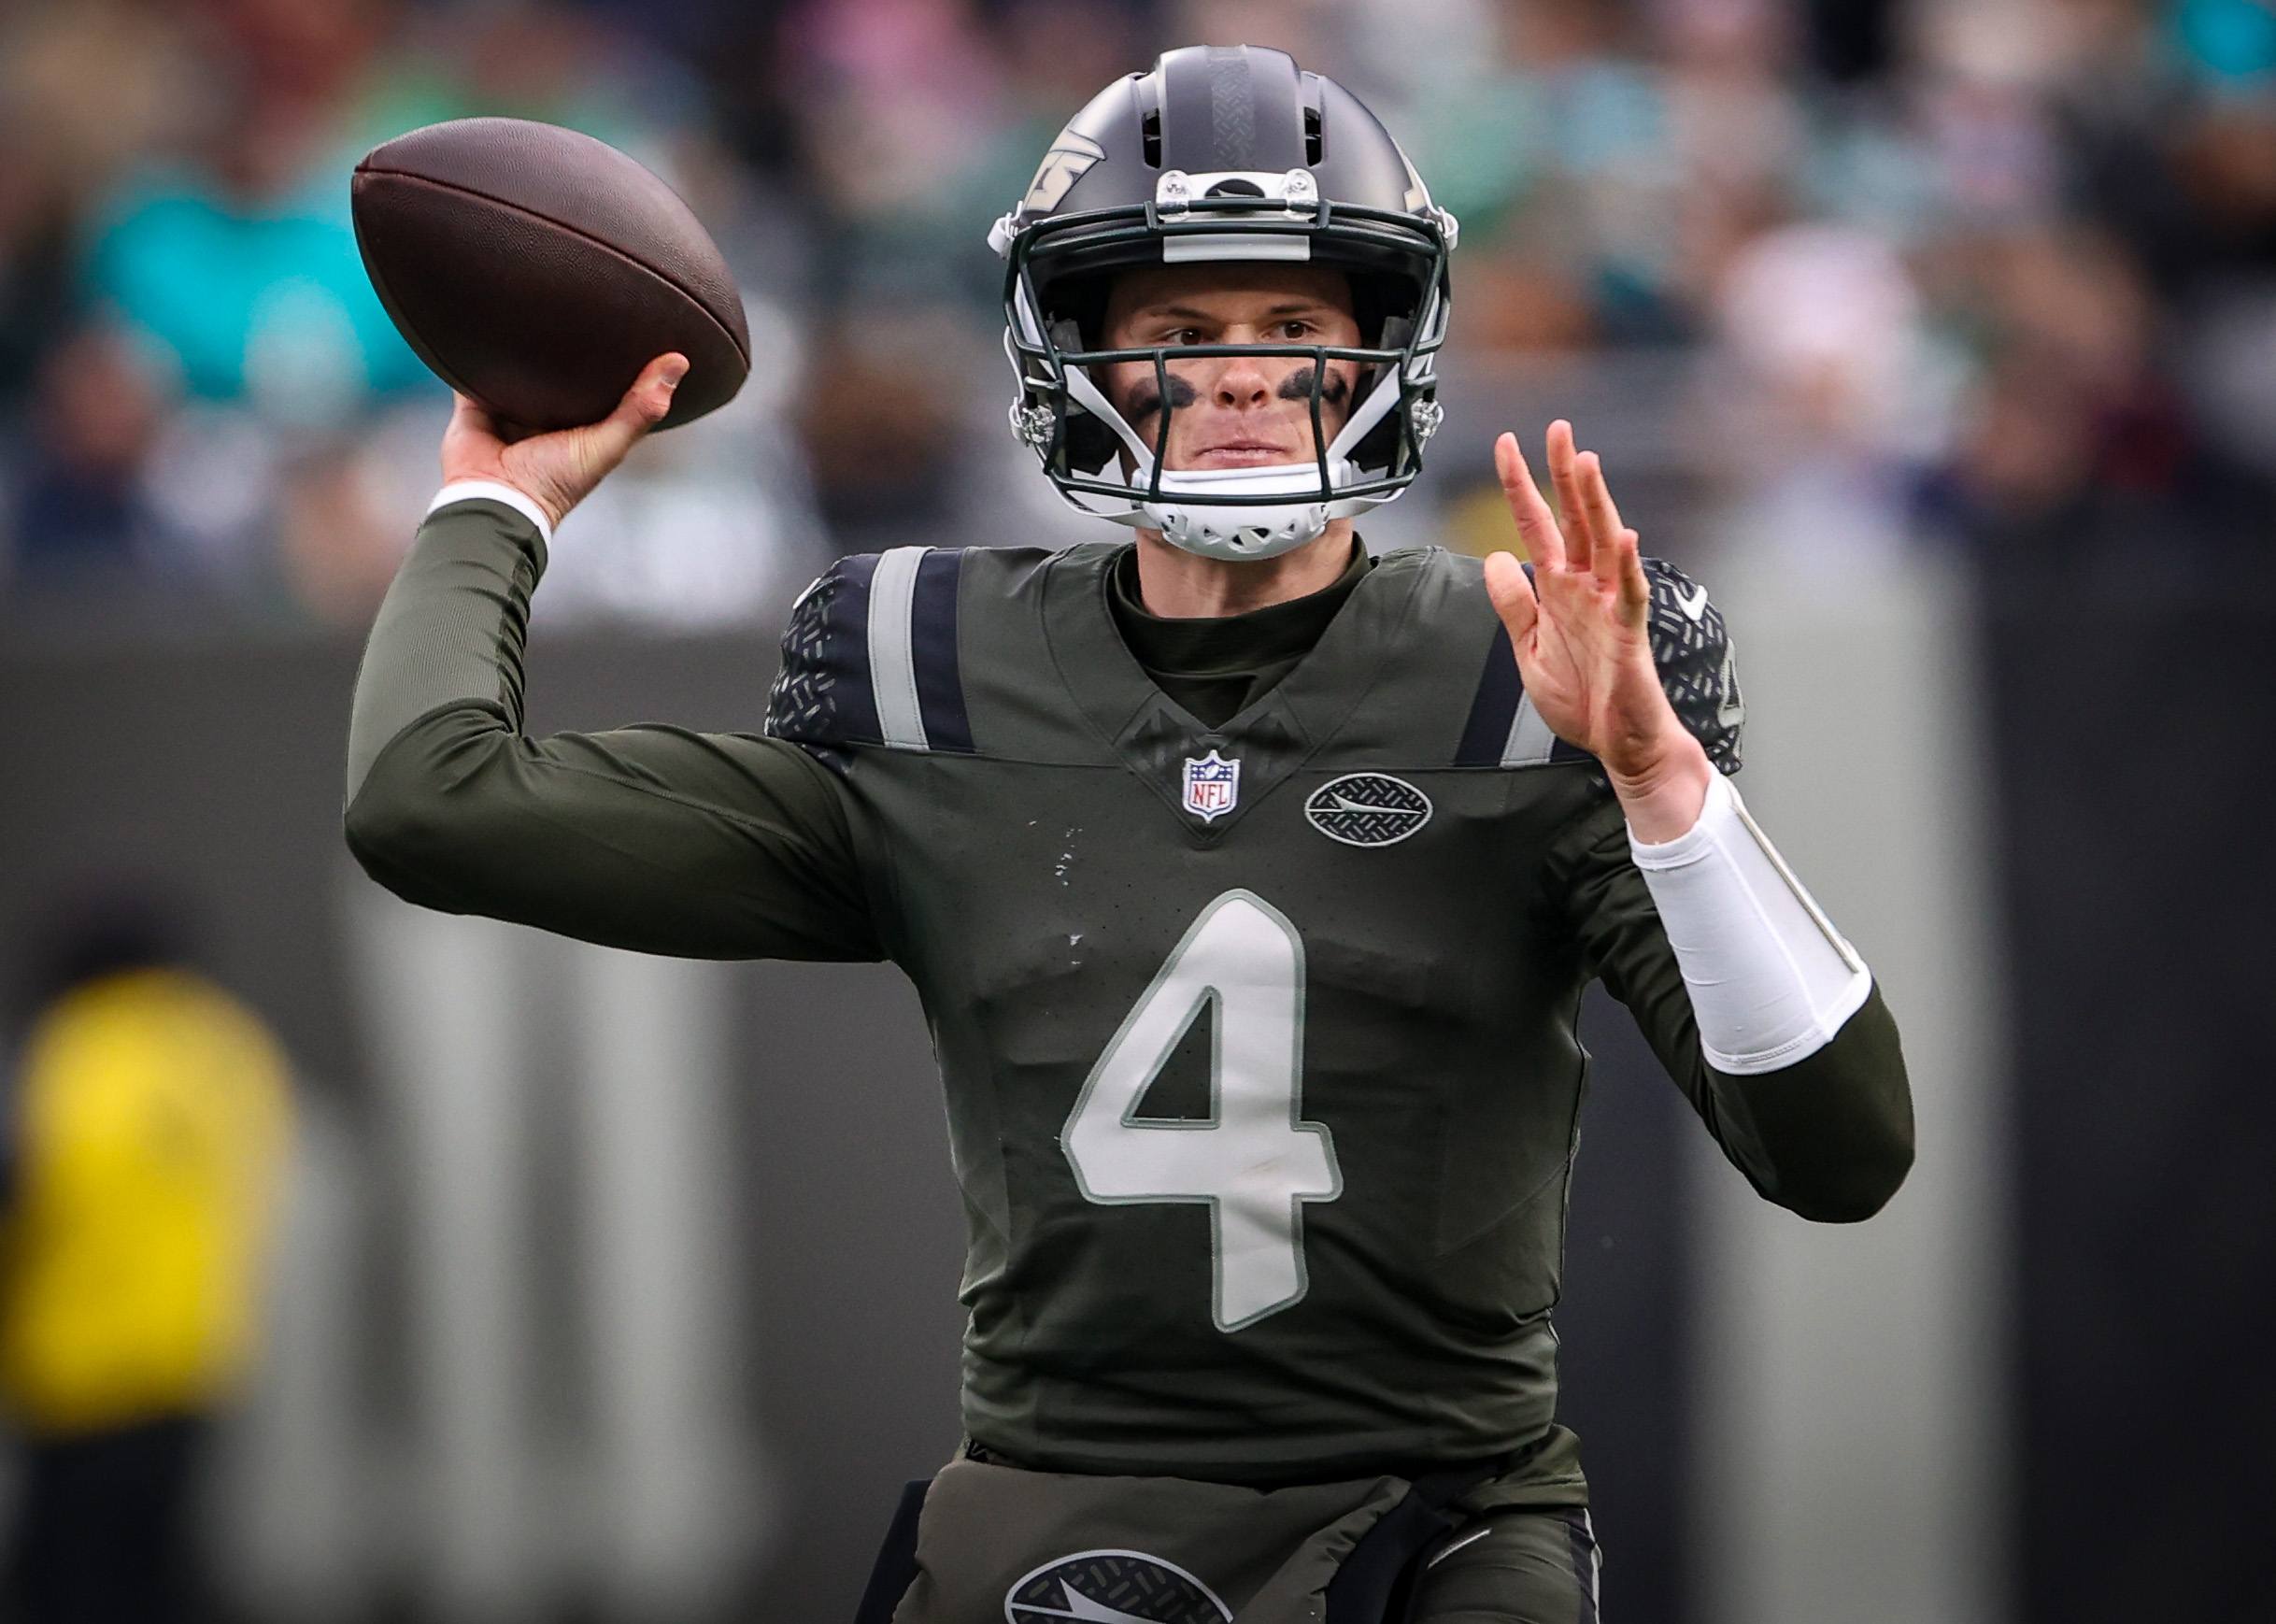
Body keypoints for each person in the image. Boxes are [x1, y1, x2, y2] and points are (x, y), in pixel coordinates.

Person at [344, 45, 1912, 1624]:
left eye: (1291, 326)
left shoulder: (1526, 681)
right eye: (1179, 331)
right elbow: (432, 801)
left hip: (1437, 1521)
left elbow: (1843, 1154)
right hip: (1053, 1503)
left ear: (1383, 347)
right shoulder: (933, 678)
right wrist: (501, 502)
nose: (1240, 374)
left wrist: (1657, 778)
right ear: (1073, 353)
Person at [0, 895, 295, 1624]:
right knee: (157, 1573)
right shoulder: (228, 1046)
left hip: (77, 1371)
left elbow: (27, 1193)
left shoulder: (71, 1054)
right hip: (192, 1360)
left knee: (70, 1584)